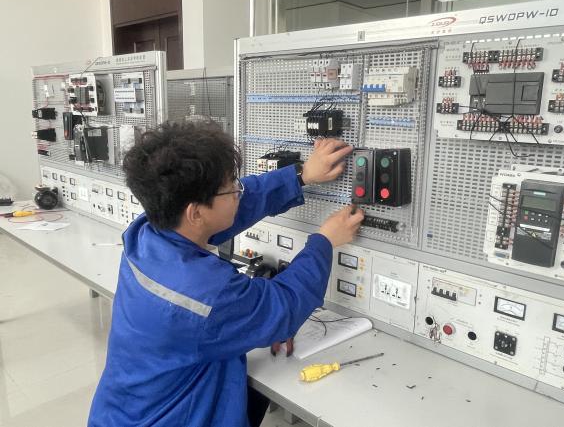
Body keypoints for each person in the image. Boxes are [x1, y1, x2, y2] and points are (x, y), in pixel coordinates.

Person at [88, 121, 364, 426]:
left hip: (121, 412)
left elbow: (229, 211)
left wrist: (301, 176)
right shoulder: (201, 292)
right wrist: (325, 240)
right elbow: (283, 306)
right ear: (195, 212)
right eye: (232, 187)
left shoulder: (147, 232)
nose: (238, 193)